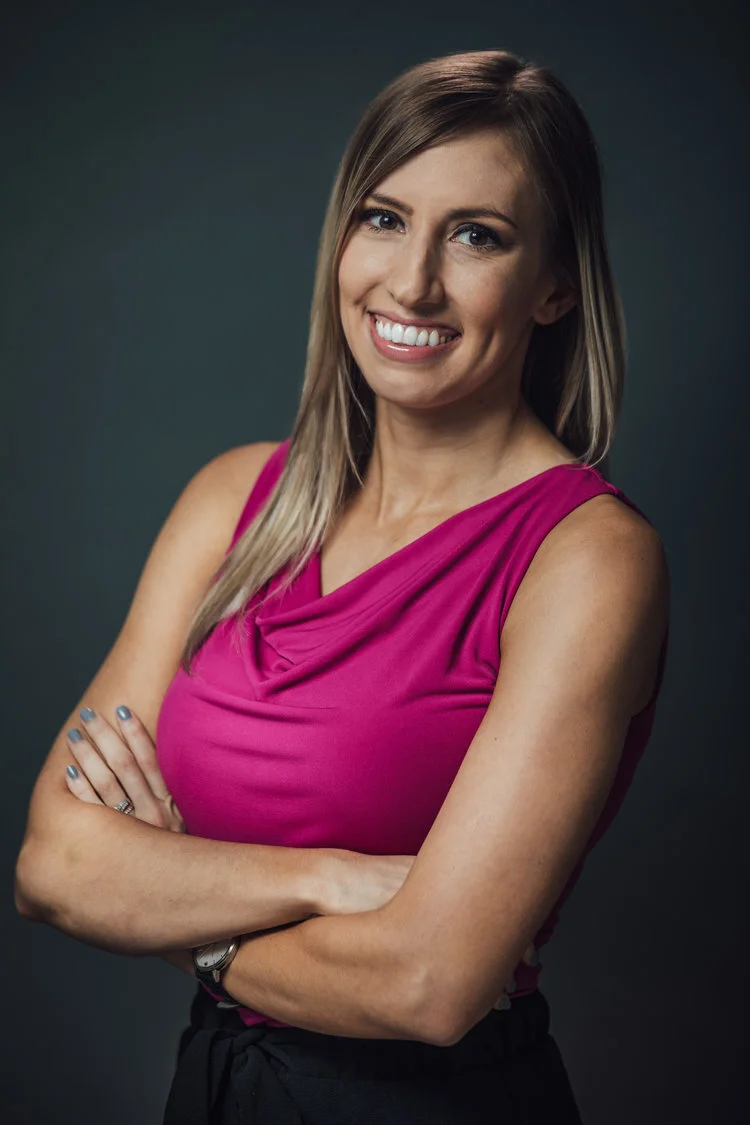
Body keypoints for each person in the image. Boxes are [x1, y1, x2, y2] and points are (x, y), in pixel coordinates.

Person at [14, 47, 669, 1124]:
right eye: (383, 218)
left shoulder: (588, 558)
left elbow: (431, 986)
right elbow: (53, 863)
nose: (411, 283)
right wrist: (325, 878)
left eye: (476, 236)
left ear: (556, 283)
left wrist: (183, 911)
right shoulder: (233, 501)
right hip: (213, 1090)